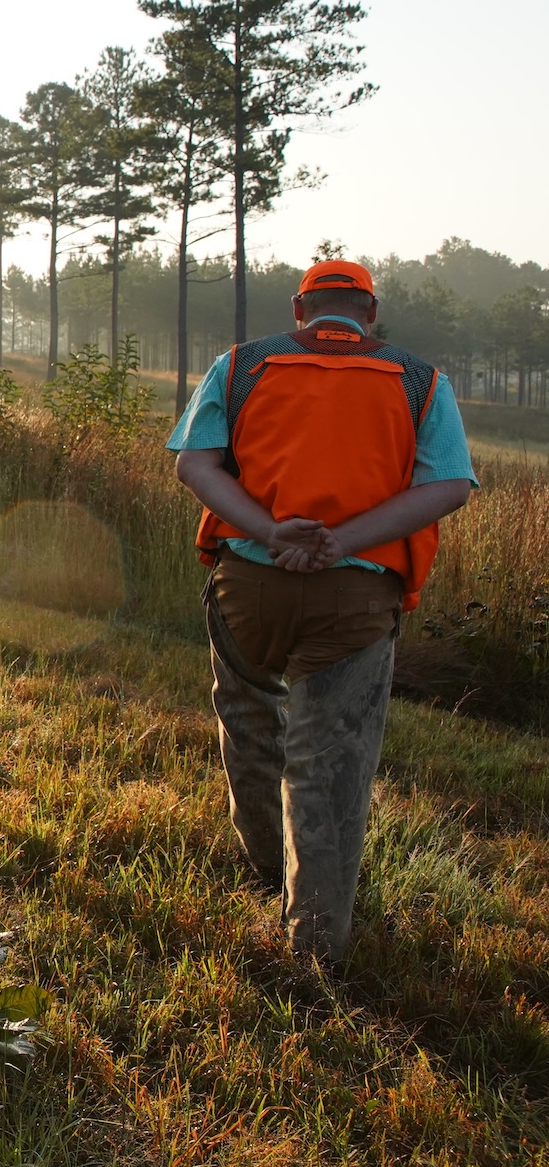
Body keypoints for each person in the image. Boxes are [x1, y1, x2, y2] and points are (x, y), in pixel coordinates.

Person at [169, 259, 474, 963]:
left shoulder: (244, 365)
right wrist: (344, 542)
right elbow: (451, 485)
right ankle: (312, 950)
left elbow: (195, 464)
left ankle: (264, 874)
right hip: (355, 600)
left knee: (248, 726)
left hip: (249, 582)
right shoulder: (421, 381)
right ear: (371, 314)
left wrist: (272, 531)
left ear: (300, 309)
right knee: (326, 766)